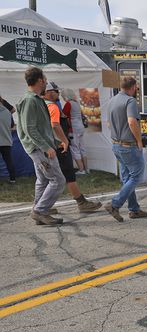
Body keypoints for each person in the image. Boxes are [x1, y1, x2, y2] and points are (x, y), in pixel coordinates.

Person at [43, 82, 102, 214]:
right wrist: (64, 140)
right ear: (48, 92)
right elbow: (55, 125)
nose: (59, 94)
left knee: (46, 178)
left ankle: (41, 206)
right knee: (64, 174)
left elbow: (56, 123)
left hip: (62, 138)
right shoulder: (55, 105)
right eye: (56, 92)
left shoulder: (48, 105)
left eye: (59, 92)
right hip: (60, 143)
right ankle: (80, 200)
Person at [17, 67, 66, 225]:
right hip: (38, 149)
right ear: (39, 80)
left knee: (43, 180)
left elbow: (42, 127)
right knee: (58, 180)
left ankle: (38, 211)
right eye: (44, 79)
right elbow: (29, 128)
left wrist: (56, 142)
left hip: (40, 146)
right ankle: (40, 211)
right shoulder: (30, 100)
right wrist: (46, 147)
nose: (46, 81)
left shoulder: (36, 99)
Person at [105, 76, 147, 222]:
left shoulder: (112, 101)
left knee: (127, 178)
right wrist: (139, 141)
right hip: (128, 145)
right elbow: (132, 122)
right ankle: (115, 204)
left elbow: (108, 124)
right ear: (132, 87)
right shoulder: (130, 101)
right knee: (136, 176)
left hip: (116, 144)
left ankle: (134, 209)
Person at [60, 88, 88, 174]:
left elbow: (63, 115)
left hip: (73, 129)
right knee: (82, 148)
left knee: (75, 149)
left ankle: (81, 170)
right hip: (80, 128)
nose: (62, 98)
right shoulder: (76, 103)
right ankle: (86, 169)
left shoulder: (68, 104)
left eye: (63, 96)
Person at [0, 94, 16, 184]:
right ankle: (12, 179)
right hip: (6, 140)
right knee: (9, 160)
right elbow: (12, 126)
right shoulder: (7, 112)